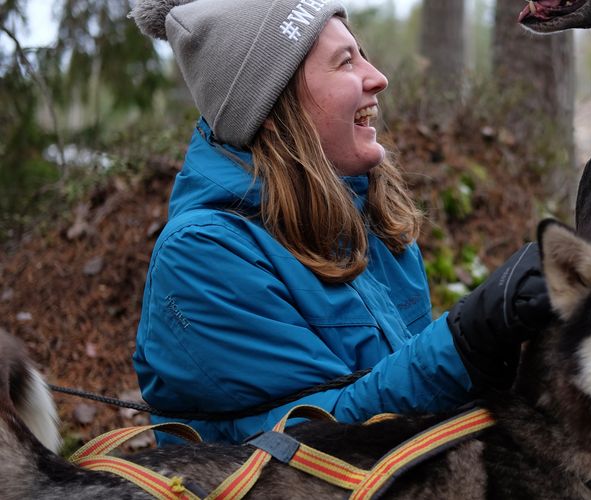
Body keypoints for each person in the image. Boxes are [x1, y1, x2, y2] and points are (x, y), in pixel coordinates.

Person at [130, 0, 552, 445]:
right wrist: (468, 340)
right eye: (345, 62)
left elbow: (411, 391)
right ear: (273, 111)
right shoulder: (203, 257)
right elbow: (310, 442)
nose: (377, 77)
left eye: (361, 54)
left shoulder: (364, 212)